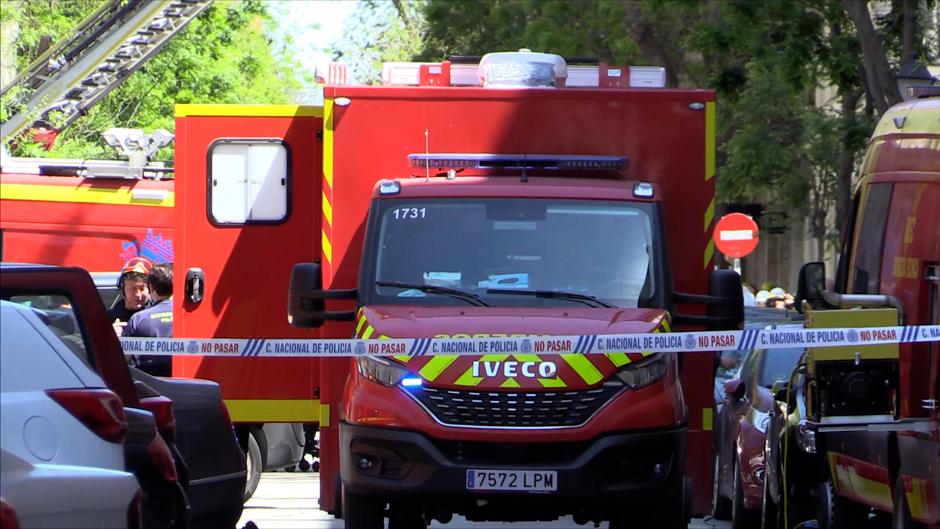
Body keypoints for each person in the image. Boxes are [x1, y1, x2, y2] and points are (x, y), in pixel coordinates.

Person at [126, 263, 173, 376]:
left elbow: (125, 359)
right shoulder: (185, 315)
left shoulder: (138, 319)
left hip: (149, 384)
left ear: (150, 287)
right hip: (182, 381)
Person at [109, 257, 153, 336]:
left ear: (150, 289)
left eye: (142, 288)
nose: (138, 295)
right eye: (132, 288)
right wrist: (109, 335)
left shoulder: (158, 315)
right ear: (123, 287)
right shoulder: (108, 318)